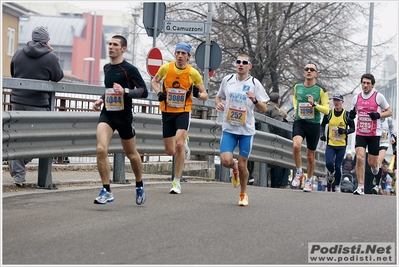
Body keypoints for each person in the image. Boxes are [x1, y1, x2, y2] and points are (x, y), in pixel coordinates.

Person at [92, 35, 148, 205]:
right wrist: (101, 99)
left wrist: (125, 91)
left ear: (123, 49)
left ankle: (139, 184)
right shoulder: (107, 67)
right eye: (109, 44)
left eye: (115, 45)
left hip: (124, 116)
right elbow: (109, 89)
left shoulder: (129, 69)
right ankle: (106, 190)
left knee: (131, 154)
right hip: (108, 113)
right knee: (101, 149)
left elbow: (143, 91)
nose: (111, 47)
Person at [8, 26, 64, 187]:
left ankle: (17, 172)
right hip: (38, 104)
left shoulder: (18, 54)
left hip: (17, 100)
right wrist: (51, 54)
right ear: (47, 41)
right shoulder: (50, 57)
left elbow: (13, 74)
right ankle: (16, 165)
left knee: (18, 136)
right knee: (41, 139)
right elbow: (57, 76)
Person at [151, 42, 208, 194]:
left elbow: (205, 94)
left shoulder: (193, 73)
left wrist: (197, 94)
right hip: (167, 111)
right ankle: (185, 142)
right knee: (170, 151)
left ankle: (176, 182)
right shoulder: (166, 68)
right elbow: (154, 81)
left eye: (184, 53)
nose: (180, 56)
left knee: (179, 145)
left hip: (183, 110)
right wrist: (158, 93)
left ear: (189, 57)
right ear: (175, 54)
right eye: (178, 53)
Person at [215, 54, 269, 206]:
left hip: (246, 130)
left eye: (244, 63)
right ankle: (234, 170)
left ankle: (243, 194)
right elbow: (218, 97)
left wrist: (254, 100)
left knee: (243, 164)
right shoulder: (227, 80)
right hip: (229, 128)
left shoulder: (254, 83)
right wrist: (218, 104)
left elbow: (264, 108)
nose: (240, 64)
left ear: (249, 66)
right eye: (238, 62)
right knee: (226, 161)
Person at [348, 73, 392, 195]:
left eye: (368, 83)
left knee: (372, 163)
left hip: (374, 134)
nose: (365, 85)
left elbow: (389, 112)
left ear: (372, 85)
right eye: (363, 83)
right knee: (360, 158)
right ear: (361, 84)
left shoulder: (379, 97)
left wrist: (378, 115)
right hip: (361, 133)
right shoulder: (356, 98)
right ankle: (360, 186)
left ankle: (375, 167)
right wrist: (351, 116)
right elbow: (352, 115)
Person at [290, 62, 329, 192]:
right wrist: (296, 111)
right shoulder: (297, 87)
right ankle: (299, 171)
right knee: (296, 146)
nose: (309, 71)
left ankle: (309, 180)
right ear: (304, 72)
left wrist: (314, 105)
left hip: (313, 124)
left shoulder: (321, 90)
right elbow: (296, 100)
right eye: (306, 69)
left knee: (310, 156)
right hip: (300, 122)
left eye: (312, 69)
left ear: (316, 74)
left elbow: (327, 110)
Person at [319, 93, 355, 192]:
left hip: (341, 145)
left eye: (338, 100)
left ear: (342, 102)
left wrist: (345, 131)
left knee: (339, 166)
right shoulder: (329, 114)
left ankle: (337, 186)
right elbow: (322, 125)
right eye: (334, 100)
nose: (336, 102)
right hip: (331, 144)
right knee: (329, 163)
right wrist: (322, 135)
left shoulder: (346, 115)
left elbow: (353, 128)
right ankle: (331, 172)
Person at [265, 92, 291, 188]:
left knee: (274, 165)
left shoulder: (264, 108)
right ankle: (280, 183)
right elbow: (279, 127)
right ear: (278, 101)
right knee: (280, 163)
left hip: (266, 140)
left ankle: (276, 183)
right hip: (276, 142)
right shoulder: (275, 111)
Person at [371, 115, 396, 194]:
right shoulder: (374, 117)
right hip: (375, 143)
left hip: (384, 144)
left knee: (379, 161)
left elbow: (392, 129)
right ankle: (376, 176)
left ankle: (377, 185)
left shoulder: (388, 119)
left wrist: (392, 136)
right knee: (373, 164)